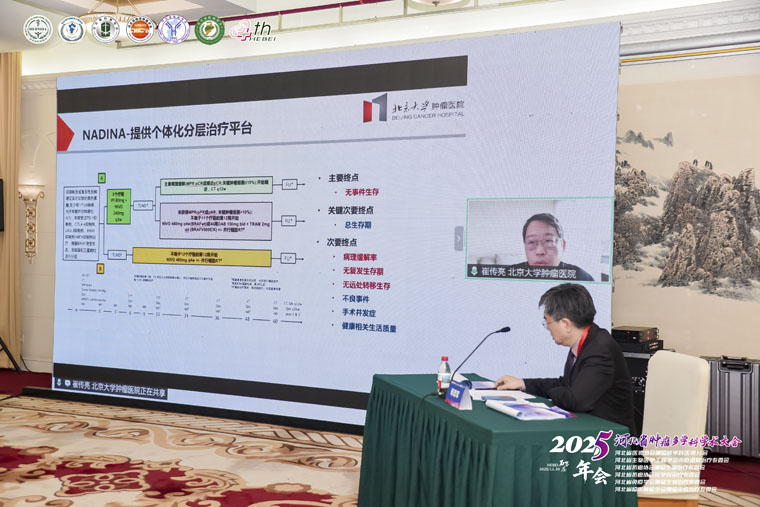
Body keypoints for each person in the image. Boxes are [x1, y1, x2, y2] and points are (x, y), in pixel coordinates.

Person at [495, 283, 636, 433]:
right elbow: (567, 384)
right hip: (588, 429)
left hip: (609, 438)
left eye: (547, 322)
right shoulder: (586, 341)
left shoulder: (600, 349)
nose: (547, 328)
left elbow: (577, 400)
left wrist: (550, 393)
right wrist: (522, 383)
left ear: (566, 324)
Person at [506, 213, 594, 281]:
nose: (540, 251)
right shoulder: (508, 275)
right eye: (531, 242)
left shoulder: (581, 278)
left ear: (563, 245)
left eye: (548, 241)